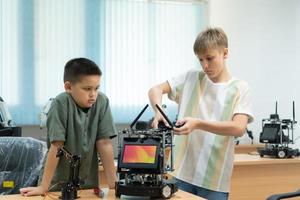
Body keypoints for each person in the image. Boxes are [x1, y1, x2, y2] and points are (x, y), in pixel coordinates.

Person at [148, 27, 253, 200]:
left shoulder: (240, 88)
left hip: (214, 181)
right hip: (179, 174)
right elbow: (156, 89)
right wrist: (158, 110)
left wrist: (198, 123)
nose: (205, 65)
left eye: (210, 58)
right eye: (200, 59)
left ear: (225, 53)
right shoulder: (191, 78)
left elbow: (238, 128)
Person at [20, 58, 117, 196]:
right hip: (56, 185)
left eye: (96, 88)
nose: (93, 94)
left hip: (88, 186)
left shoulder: (102, 102)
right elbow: (57, 147)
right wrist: (43, 187)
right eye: (87, 89)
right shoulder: (60, 103)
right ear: (68, 87)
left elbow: (104, 143)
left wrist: (114, 185)